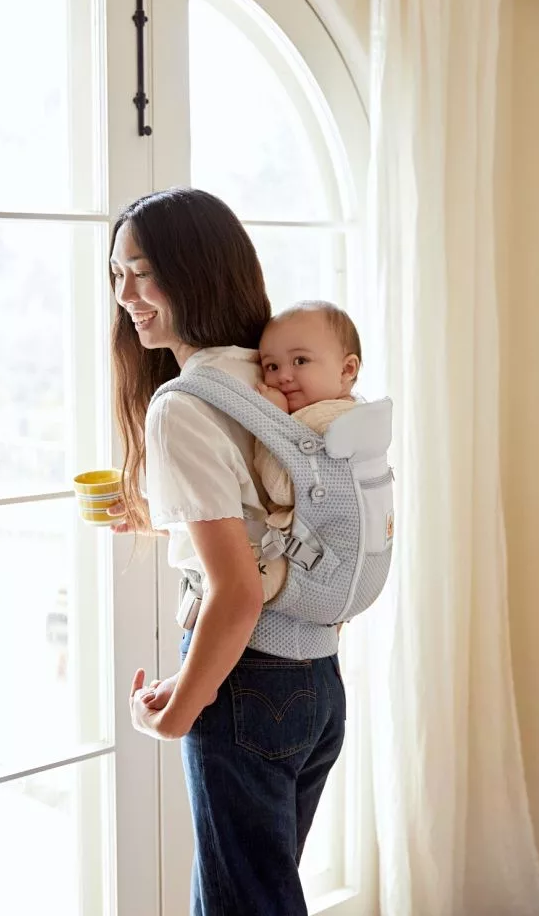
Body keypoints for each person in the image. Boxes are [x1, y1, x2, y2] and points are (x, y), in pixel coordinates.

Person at [109, 187, 346, 916]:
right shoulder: (274, 376)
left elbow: (237, 591)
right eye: (117, 275)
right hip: (316, 679)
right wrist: (156, 516)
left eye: (144, 272)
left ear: (196, 270)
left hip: (246, 683)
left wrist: (180, 708)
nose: (126, 296)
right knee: (259, 895)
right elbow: (267, 519)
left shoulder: (183, 403)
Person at [254, 301, 362, 601]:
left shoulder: (323, 423)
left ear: (347, 369)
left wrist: (272, 420)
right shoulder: (355, 415)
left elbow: (283, 489)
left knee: (237, 583)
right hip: (336, 565)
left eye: (300, 361)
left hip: (312, 563)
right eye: (272, 366)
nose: (283, 376)